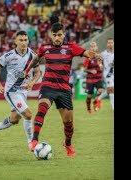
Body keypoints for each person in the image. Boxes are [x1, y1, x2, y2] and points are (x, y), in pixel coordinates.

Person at [24, 22, 101, 157]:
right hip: (48, 86)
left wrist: (92, 54)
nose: (57, 38)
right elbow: (36, 59)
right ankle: (34, 140)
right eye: (54, 35)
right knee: (42, 108)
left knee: (68, 122)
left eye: (59, 35)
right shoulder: (45, 48)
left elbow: (85, 52)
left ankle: (68, 143)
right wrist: (27, 70)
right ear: (50, 35)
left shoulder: (71, 48)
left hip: (64, 89)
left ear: (63, 34)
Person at [0, 31, 41, 148]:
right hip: (12, 91)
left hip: (23, 92)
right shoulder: (8, 56)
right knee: (28, 115)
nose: (23, 42)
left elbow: (38, 73)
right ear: (15, 41)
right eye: (21, 40)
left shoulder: (33, 55)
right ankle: (31, 142)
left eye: (25, 40)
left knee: (15, 119)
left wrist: (32, 82)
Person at [83, 42, 104, 113]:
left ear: (96, 47)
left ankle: (95, 101)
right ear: (90, 48)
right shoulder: (88, 58)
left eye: (94, 46)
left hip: (98, 78)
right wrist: (91, 70)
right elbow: (84, 69)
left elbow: (102, 67)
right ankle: (88, 108)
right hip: (90, 80)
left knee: (101, 91)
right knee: (89, 96)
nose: (93, 48)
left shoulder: (100, 57)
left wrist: (101, 66)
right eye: (91, 46)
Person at [97, 38, 114, 110]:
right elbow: (99, 60)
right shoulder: (103, 53)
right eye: (109, 43)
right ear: (107, 44)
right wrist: (100, 65)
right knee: (111, 89)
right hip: (108, 74)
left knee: (109, 90)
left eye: (111, 43)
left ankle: (98, 99)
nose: (110, 44)